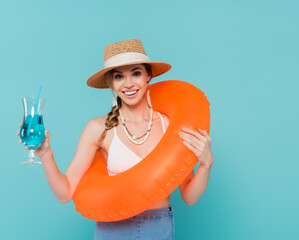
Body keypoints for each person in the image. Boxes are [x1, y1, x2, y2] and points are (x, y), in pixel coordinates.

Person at [16, 39, 214, 240]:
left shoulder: (170, 126)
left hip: (158, 227)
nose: (128, 84)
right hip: (113, 230)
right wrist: (45, 154)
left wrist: (206, 164)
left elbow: (189, 196)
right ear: (111, 83)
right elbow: (65, 193)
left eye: (136, 73)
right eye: (119, 76)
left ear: (148, 76)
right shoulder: (98, 128)